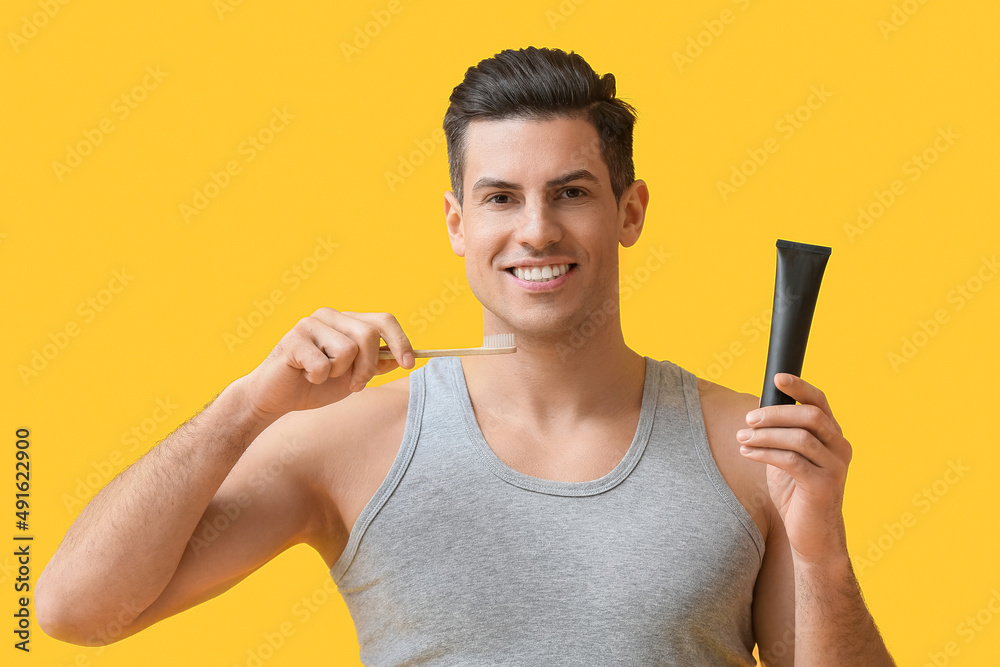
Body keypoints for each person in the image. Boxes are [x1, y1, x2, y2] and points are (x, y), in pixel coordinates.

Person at [37, 46, 895, 665]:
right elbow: (76, 610)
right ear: (457, 223)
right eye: (500, 197)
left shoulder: (750, 448)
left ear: (629, 212)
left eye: (571, 193)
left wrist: (821, 547)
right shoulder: (349, 441)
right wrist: (244, 408)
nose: (535, 230)